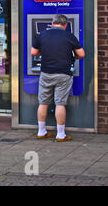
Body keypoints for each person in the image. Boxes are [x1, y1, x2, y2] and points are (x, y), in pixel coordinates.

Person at [31, 14, 85, 142]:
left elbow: (33, 52)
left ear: (52, 23)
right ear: (65, 25)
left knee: (43, 103)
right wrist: (72, 57)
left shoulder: (42, 34)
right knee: (60, 103)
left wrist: (43, 53)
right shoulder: (69, 36)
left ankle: (41, 132)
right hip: (63, 74)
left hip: (46, 73)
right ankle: (60, 135)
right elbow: (81, 54)